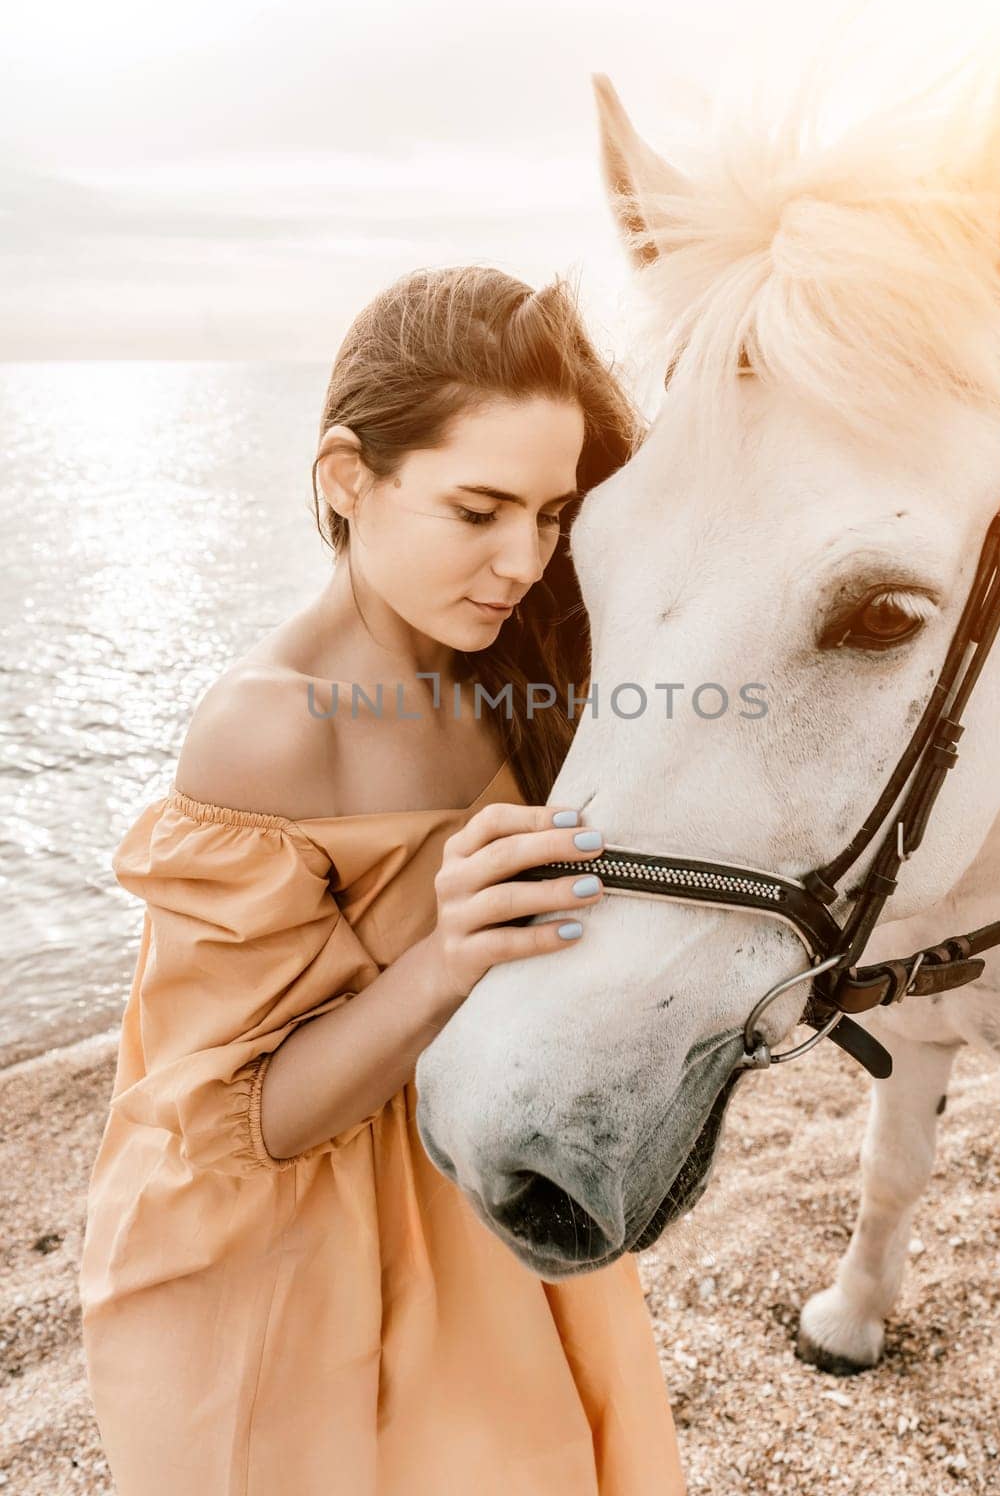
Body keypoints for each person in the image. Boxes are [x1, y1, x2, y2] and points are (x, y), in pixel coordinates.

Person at [79, 265, 687, 1495]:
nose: (522, 557)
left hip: (499, 1184)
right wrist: (448, 957)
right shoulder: (270, 730)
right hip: (324, 1256)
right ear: (348, 478)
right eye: (477, 510)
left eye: (551, 513)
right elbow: (240, 1122)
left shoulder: (521, 663)